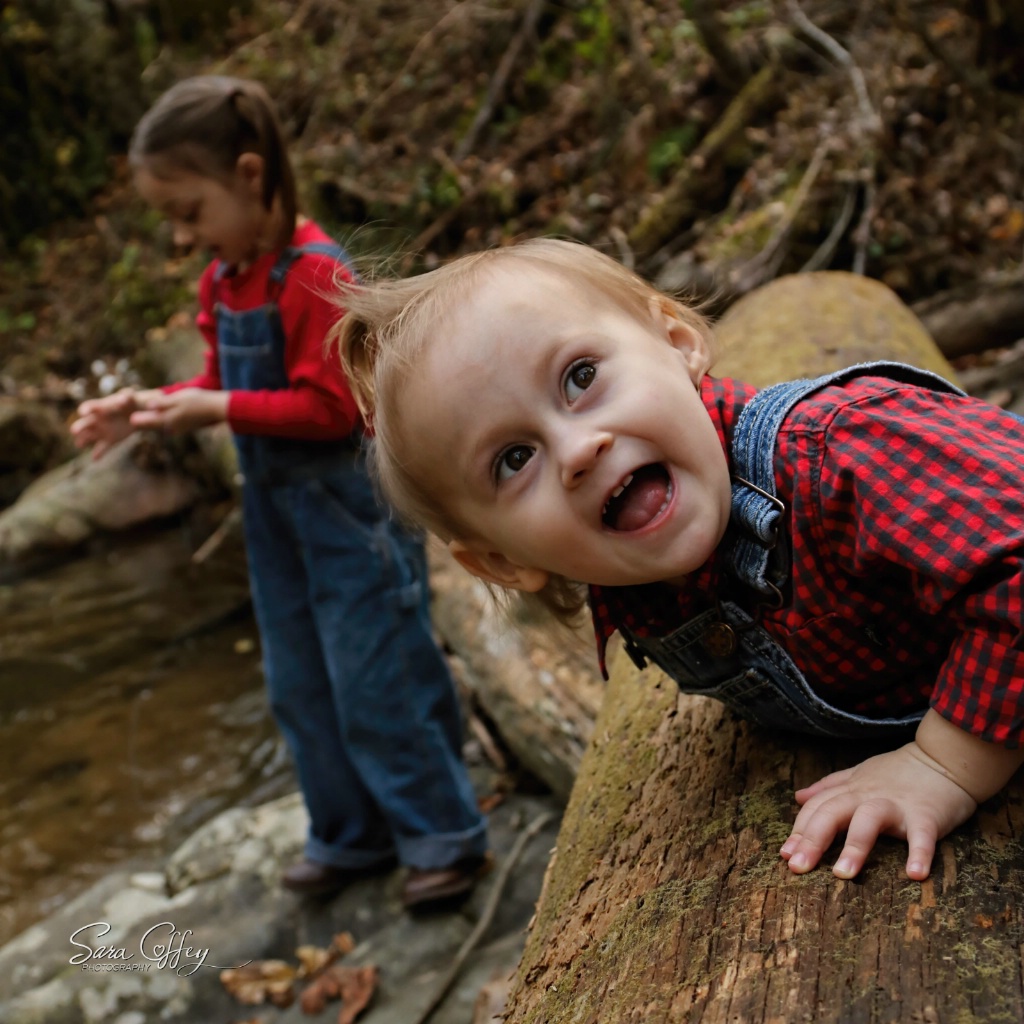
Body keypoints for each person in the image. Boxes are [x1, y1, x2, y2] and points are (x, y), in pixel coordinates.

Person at [332, 237, 1024, 883]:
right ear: (499, 561)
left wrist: (944, 766)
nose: (578, 450)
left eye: (579, 378)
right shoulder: (638, 582)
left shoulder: (844, 456)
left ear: (679, 342)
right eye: (514, 459)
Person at [71, 75, 488, 909]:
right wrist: (149, 409)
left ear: (252, 176)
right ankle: (349, 833)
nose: (185, 235)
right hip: (273, 516)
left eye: (191, 211)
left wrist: (215, 407)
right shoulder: (225, 281)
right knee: (298, 680)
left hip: (347, 512)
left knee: (379, 673)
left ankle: (441, 833)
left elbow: (332, 408)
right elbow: (223, 381)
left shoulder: (314, 273)